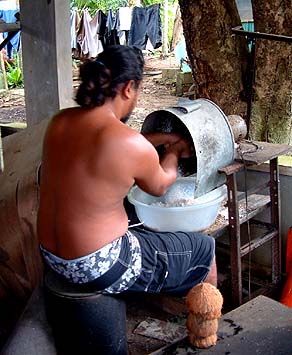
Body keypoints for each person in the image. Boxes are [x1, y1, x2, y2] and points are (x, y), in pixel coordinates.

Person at [37, 45, 217, 298]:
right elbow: (161, 184)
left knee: (131, 212)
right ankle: (207, 329)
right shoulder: (128, 144)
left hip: (50, 255)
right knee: (204, 249)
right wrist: (174, 151)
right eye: (138, 91)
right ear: (128, 87)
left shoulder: (60, 122)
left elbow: (114, 143)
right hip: (96, 266)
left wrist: (164, 137)